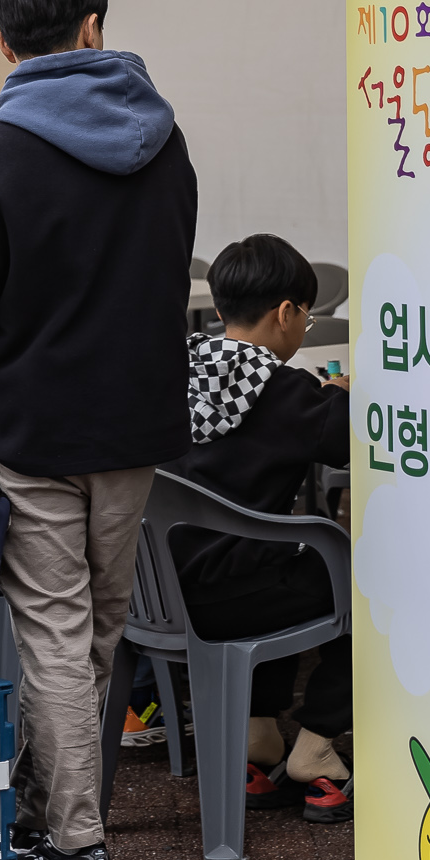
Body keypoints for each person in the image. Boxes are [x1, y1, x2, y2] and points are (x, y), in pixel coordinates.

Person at [0, 0, 199, 860]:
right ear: (93, 27)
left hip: (29, 430)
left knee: (56, 635)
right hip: (133, 429)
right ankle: (58, 817)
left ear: (2, 42)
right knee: (97, 633)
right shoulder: (166, 145)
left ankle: (74, 846)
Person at [174, 234, 354, 826]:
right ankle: (317, 743)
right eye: (305, 314)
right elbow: (351, 440)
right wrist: (339, 397)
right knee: (369, 585)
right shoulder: (281, 392)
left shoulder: (175, 367)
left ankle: (257, 741)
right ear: (286, 313)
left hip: (157, 596)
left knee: (280, 556)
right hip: (236, 596)